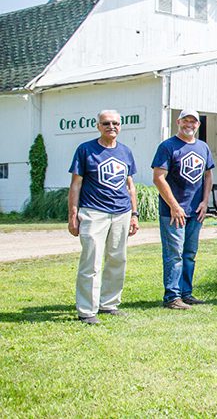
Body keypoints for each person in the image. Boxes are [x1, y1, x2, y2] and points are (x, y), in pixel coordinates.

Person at [67, 109, 140, 324]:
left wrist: (134, 214)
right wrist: (73, 214)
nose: (111, 127)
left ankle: (109, 304)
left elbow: (130, 186)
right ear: (98, 126)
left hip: (121, 212)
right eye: (106, 123)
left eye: (116, 123)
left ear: (120, 126)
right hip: (93, 212)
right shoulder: (86, 150)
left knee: (117, 259)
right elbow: (76, 184)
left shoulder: (125, 152)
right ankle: (87, 310)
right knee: (92, 261)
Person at [151, 109, 215, 310]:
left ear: (198, 125)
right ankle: (172, 296)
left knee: (189, 254)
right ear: (178, 122)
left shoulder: (203, 147)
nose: (189, 124)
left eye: (193, 122)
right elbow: (158, 177)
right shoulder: (168, 146)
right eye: (186, 121)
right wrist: (174, 206)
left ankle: (186, 293)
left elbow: (208, 176)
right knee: (174, 254)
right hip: (173, 212)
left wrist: (205, 202)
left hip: (195, 211)